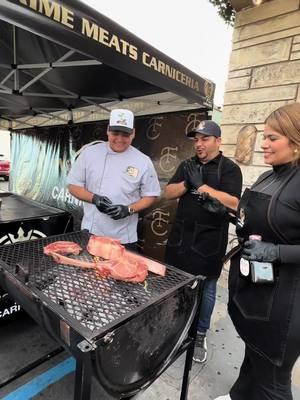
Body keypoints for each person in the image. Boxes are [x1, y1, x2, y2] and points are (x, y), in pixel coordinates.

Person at [215, 103, 300, 400]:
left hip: (285, 304)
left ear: (297, 140)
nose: (263, 144)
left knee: (272, 382)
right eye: (264, 136)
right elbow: (253, 219)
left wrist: (275, 252)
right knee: (253, 354)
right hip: (257, 291)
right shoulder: (270, 175)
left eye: (273, 137)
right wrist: (224, 213)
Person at [164, 120, 242, 363]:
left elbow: (233, 203)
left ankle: (199, 334)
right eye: (196, 139)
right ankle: (176, 327)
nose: (198, 144)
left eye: (204, 139)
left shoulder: (229, 168)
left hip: (209, 240)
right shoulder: (187, 165)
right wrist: (188, 182)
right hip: (181, 237)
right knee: (177, 284)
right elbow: (168, 193)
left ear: (218, 141)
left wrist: (202, 185)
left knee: (207, 289)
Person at [67, 108, 161, 250]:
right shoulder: (90, 153)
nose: (119, 139)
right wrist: (94, 198)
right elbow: (73, 186)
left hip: (124, 237)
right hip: (91, 233)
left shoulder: (143, 161)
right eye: (115, 133)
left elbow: (150, 195)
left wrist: (128, 210)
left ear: (133, 133)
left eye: (125, 135)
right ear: (108, 130)